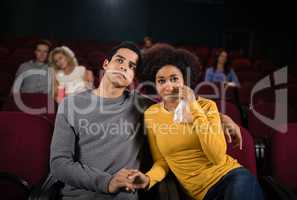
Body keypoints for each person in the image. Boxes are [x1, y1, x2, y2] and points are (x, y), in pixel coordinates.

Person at [49, 42, 243, 200]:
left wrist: (220, 118)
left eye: (132, 66)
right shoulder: (71, 104)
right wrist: (107, 182)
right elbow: (59, 164)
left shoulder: (143, 105)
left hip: (124, 195)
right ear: (106, 64)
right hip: (79, 196)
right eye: (120, 60)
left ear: (134, 77)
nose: (125, 66)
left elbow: (176, 106)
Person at [128, 44, 264, 200]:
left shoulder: (206, 106)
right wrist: (148, 179)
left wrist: (194, 106)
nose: (168, 86)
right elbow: (162, 161)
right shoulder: (152, 114)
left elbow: (217, 157)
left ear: (185, 81)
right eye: (161, 80)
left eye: (174, 79)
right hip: (199, 194)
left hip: (231, 178)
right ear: (155, 85)